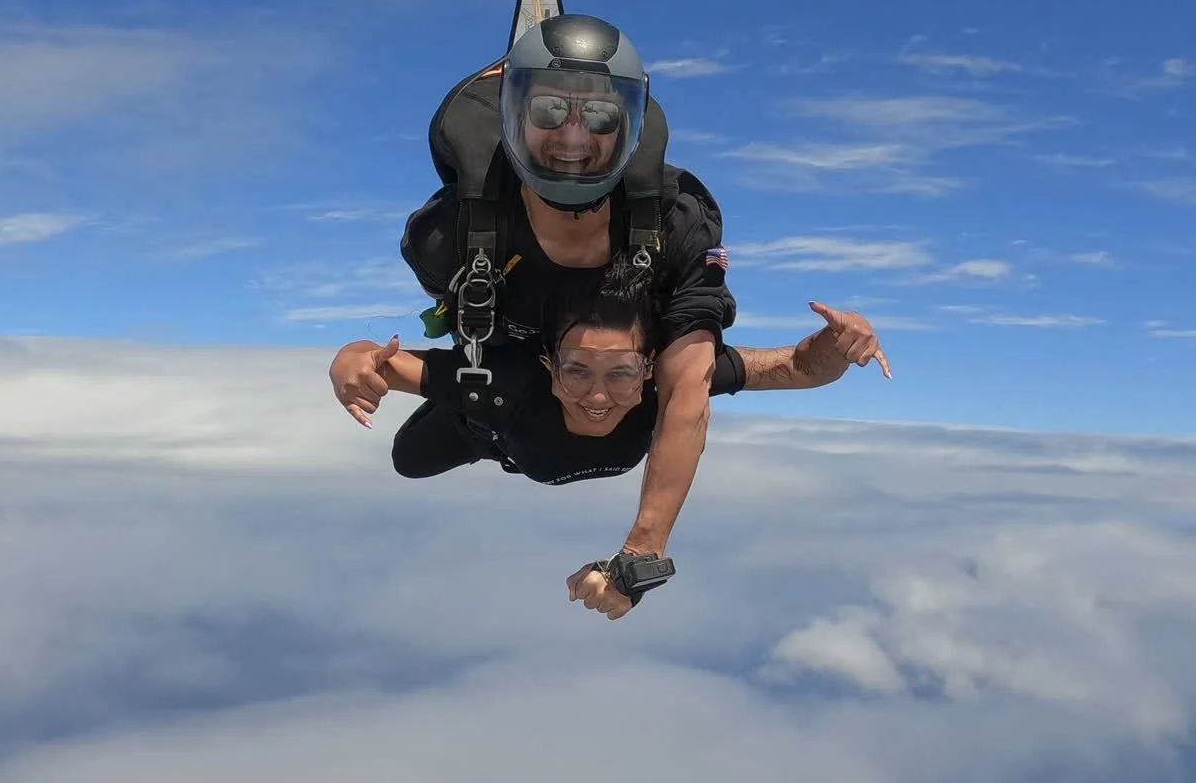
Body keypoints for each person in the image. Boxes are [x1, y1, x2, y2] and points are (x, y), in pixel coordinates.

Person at [329, 256, 890, 619]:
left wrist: (840, 341)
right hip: (489, 429)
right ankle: (478, 427)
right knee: (410, 459)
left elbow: (798, 366)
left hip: (523, 433)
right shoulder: (502, 384)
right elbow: (375, 360)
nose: (598, 396)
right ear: (550, 365)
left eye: (620, 372)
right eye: (577, 371)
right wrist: (349, 365)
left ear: (648, 368)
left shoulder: (672, 384)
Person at [397, 12, 736, 582]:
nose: (574, 139)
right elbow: (451, 317)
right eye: (549, 109)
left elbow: (689, 387)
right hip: (509, 378)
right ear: (513, 116)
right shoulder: (448, 236)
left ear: (628, 125)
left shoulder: (676, 225)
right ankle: (489, 430)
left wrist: (643, 552)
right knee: (410, 459)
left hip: (615, 373)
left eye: (601, 114)